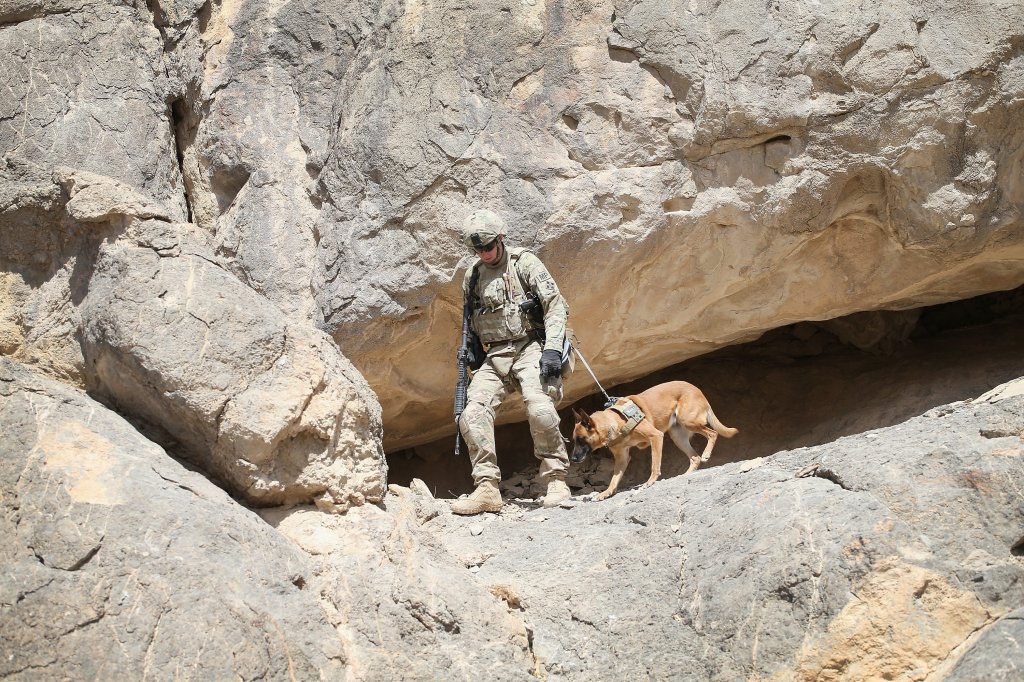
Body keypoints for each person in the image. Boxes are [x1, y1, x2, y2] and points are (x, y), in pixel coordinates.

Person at [452, 208, 571, 515]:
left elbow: (555, 306)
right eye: (477, 249)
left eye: (488, 246)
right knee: (471, 413)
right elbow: (469, 318)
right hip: (496, 354)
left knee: (540, 407)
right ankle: (487, 488)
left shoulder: (524, 263)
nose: (484, 253)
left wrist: (553, 350)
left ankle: (556, 478)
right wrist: (472, 348)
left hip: (530, 346)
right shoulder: (474, 275)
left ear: (501, 239)